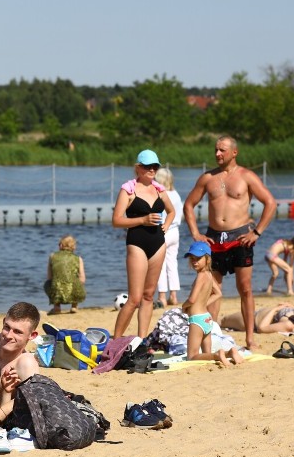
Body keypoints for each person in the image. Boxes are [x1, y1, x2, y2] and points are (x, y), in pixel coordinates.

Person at [182, 135, 277, 350]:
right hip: (213, 239)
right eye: (216, 150)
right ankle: (213, 334)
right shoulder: (207, 178)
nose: (217, 154)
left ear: (234, 152)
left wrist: (257, 232)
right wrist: (195, 233)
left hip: (240, 239)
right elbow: (189, 205)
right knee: (211, 288)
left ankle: (250, 339)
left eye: (222, 150)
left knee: (245, 289)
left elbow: (270, 202)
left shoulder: (247, 176)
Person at [111, 149, 175, 338]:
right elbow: (116, 221)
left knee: (149, 296)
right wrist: (143, 220)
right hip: (137, 243)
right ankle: (116, 340)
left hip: (158, 244)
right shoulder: (128, 189)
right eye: (148, 166)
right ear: (138, 168)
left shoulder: (159, 189)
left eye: (155, 166)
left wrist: (166, 226)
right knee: (134, 298)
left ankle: (141, 340)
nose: (152, 169)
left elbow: (171, 212)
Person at [182, 241, 243, 367]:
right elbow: (218, 293)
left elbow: (192, 299)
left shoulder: (200, 276)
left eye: (198, 258)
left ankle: (218, 354)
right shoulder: (209, 275)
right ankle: (228, 353)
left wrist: (184, 306)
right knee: (205, 356)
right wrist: (204, 303)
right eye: (192, 259)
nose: (194, 262)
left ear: (207, 259)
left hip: (197, 320)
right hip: (207, 318)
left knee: (192, 356)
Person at [155, 168, 183, 308]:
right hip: (175, 232)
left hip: (164, 231)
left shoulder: (161, 195)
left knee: (160, 265)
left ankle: (162, 296)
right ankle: (174, 295)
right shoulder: (176, 194)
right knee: (172, 264)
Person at [220, 301, 294, 335]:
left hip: (251, 320)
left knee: (223, 322)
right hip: (257, 313)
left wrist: (275, 309)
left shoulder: (288, 324)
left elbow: (261, 329)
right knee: (222, 321)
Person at [44, 234, 86, 315]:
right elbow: (83, 278)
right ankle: (74, 306)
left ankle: (57, 306)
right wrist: (80, 287)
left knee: (48, 284)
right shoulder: (78, 258)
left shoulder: (52, 256)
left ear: (61, 245)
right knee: (77, 282)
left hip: (57, 290)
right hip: (73, 290)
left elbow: (49, 277)